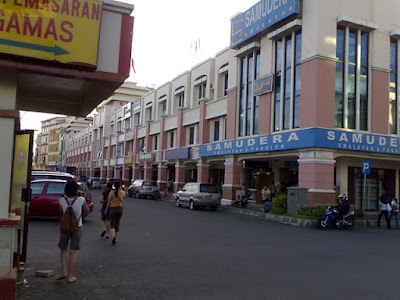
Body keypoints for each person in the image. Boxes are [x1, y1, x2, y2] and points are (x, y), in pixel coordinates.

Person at [56, 181, 89, 283]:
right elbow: (86, 211)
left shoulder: (61, 200)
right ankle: (70, 276)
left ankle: (63, 272)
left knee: (63, 249)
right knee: (73, 251)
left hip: (64, 227)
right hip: (77, 227)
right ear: (76, 190)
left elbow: (60, 212)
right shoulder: (81, 200)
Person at [105, 180, 125, 245]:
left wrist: (106, 209)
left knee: (112, 224)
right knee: (117, 223)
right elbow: (124, 198)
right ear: (120, 186)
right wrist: (120, 189)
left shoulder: (111, 193)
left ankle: (113, 236)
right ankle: (116, 238)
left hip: (113, 208)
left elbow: (108, 202)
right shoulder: (122, 192)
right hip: (120, 209)